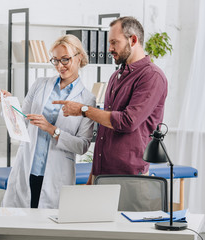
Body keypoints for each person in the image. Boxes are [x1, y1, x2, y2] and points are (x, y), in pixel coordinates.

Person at [53, 16, 168, 184]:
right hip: (103, 173)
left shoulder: (152, 76)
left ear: (133, 40)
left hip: (129, 176)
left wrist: (83, 110)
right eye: (109, 43)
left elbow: (127, 122)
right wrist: (93, 175)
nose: (110, 49)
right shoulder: (116, 76)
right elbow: (105, 132)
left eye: (114, 42)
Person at [0, 35, 95, 209]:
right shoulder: (40, 84)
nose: (59, 65)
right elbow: (22, 121)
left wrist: (52, 130)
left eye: (65, 59)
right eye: (55, 60)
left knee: (46, 229)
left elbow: (82, 146)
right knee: (18, 226)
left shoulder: (87, 99)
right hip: (27, 168)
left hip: (56, 174)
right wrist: (10, 103)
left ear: (79, 57)